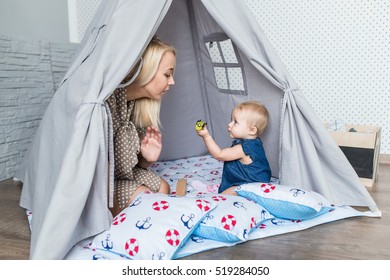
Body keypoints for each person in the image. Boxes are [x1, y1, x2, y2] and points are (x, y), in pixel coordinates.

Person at [107, 36, 175, 216]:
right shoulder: (106, 103)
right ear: (148, 70)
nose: (171, 82)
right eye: (167, 74)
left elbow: (128, 162)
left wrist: (147, 159)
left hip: (119, 175)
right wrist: (113, 219)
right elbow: (101, 167)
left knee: (163, 187)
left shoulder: (135, 105)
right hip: (100, 181)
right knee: (147, 200)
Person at [196, 101, 271, 195]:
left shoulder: (245, 148)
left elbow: (219, 155)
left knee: (227, 193)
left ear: (252, 130)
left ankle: (217, 195)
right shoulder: (254, 143)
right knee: (229, 189)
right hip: (246, 182)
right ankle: (218, 188)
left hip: (253, 187)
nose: (229, 124)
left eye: (235, 122)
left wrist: (206, 136)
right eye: (231, 120)